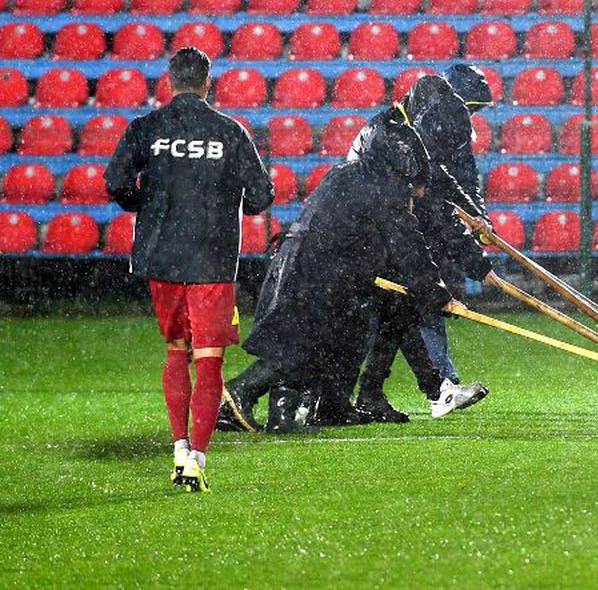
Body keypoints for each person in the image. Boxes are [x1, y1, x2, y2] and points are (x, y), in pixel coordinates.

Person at [218, 110, 473, 434]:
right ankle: (242, 391)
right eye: (415, 186)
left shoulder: (349, 173)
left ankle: (289, 415)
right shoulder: (387, 188)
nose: (416, 194)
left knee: (311, 342)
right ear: (406, 167)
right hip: (319, 271)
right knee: (305, 345)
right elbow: (408, 247)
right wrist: (439, 296)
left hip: (303, 262)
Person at [105, 48, 274, 493]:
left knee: (176, 350)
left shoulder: (147, 128)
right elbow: (260, 198)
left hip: (161, 257)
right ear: (207, 82)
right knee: (209, 358)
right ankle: (197, 457)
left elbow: (115, 182)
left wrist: (147, 203)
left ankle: (179, 445)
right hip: (213, 260)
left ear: (170, 81)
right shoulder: (230, 132)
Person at [352, 67, 500, 421]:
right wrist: (475, 262)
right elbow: (430, 205)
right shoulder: (397, 140)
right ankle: (301, 393)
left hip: (385, 233)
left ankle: (378, 393)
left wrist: (475, 216)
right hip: (371, 236)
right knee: (399, 309)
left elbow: (446, 182)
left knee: (398, 313)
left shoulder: (419, 132)